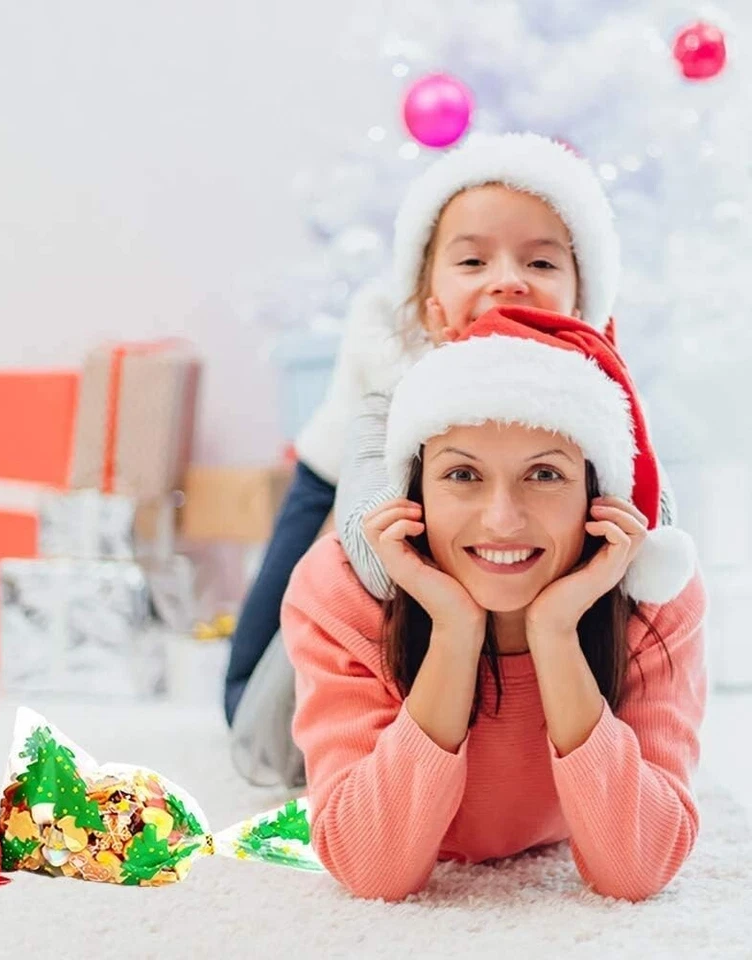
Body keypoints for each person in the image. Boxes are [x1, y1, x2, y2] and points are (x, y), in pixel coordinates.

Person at [225, 131, 676, 729]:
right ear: (435, 309)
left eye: (540, 262)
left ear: (580, 308)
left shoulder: (599, 395)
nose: (507, 280)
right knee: (257, 684)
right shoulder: (391, 387)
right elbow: (376, 563)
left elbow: (655, 537)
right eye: (472, 261)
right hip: (332, 471)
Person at [281, 305, 703, 902]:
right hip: (362, 655)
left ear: (596, 493)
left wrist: (555, 633)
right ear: (415, 490)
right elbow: (371, 870)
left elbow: (636, 870)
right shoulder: (338, 588)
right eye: (462, 476)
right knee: (262, 752)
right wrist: (455, 632)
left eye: (545, 475)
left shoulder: (655, 597)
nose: (502, 518)